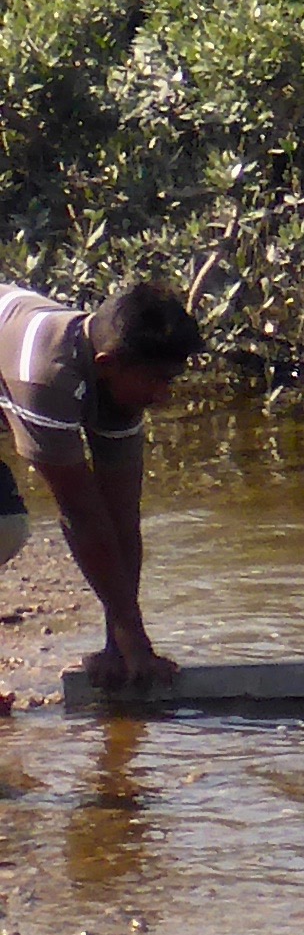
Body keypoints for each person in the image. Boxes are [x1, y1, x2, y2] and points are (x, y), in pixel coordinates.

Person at [0, 274, 205, 699]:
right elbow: (80, 513)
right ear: (108, 365)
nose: (164, 396)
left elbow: (120, 515)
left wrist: (119, 641)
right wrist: (135, 634)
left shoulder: (114, 377)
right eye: (156, 380)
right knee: (4, 527)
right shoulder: (46, 377)